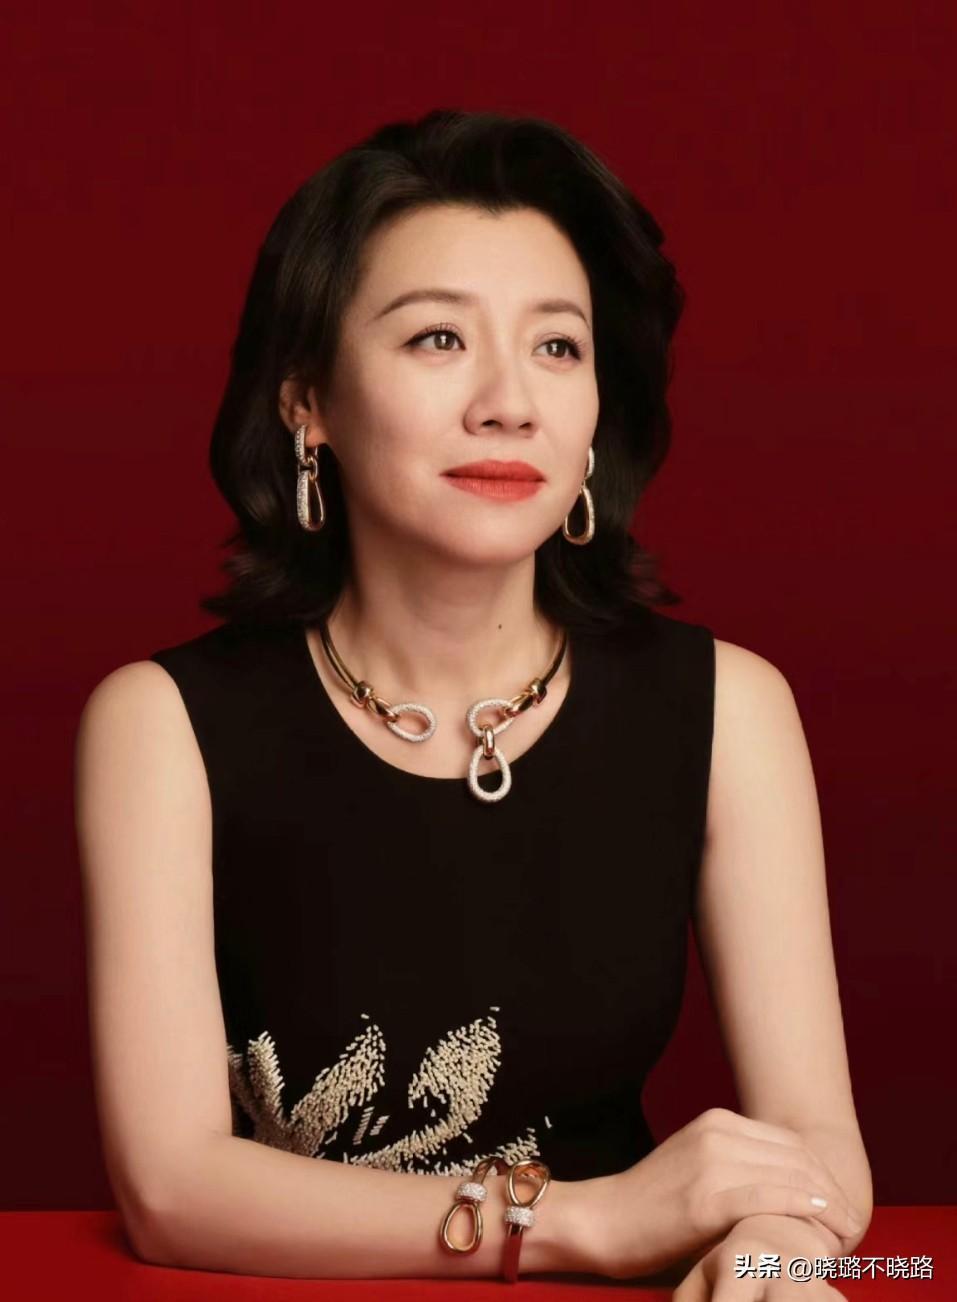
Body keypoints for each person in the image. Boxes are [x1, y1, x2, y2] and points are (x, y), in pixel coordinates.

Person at [74, 109, 871, 1294]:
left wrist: (782, 1243)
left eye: (558, 347)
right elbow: (173, 1188)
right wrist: (581, 1221)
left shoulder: (730, 710)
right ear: (307, 401)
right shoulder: (160, 725)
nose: (511, 403)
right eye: (438, 337)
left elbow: (818, 1144)